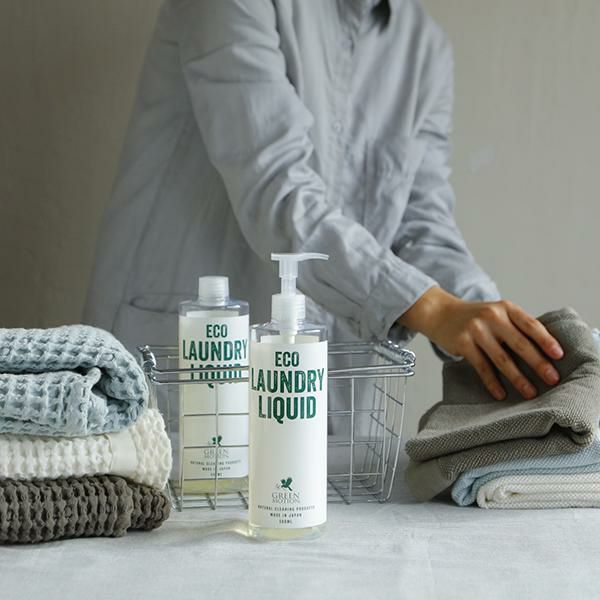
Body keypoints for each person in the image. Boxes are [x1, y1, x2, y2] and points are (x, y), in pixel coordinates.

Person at [84, 0, 564, 401]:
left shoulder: (424, 47)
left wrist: (504, 332)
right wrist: (433, 309)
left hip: (325, 388)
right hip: (178, 366)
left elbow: (422, 223)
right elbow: (274, 185)